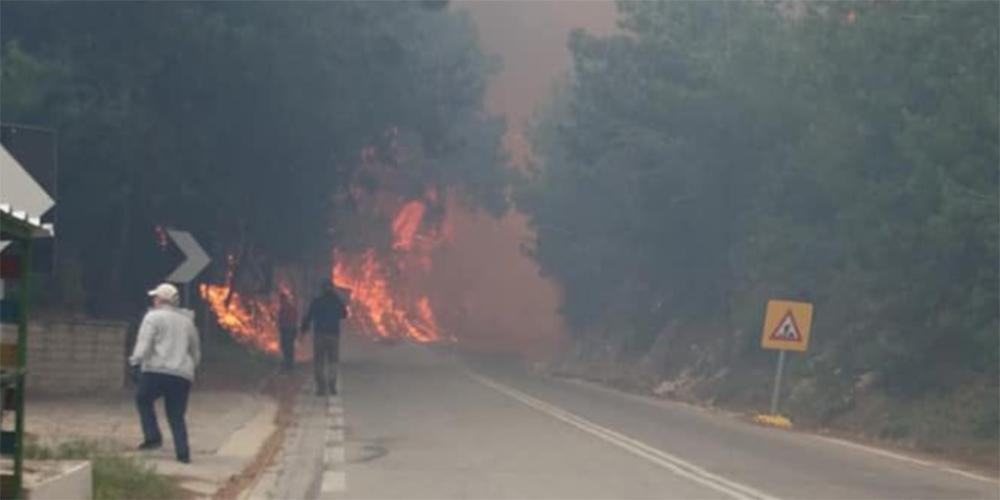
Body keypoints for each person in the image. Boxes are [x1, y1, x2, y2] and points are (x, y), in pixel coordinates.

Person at [129, 283, 201, 463]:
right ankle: (183, 453)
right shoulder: (187, 321)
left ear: (162, 300)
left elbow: (144, 343)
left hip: (156, 370)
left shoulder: (153, 317)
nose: (153, 300)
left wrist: (135, 361)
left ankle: (153, 438)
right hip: (182, 375)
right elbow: (195, 351)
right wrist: (191, 367)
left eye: (155, 297)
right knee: (176, 414)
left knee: (143, 399)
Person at [300, 281, 348, 395]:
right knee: (333, 361)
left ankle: (321, 388)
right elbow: (344, 315)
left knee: (319, 362)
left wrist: (303, 331)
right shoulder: (337, 301)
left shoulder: (317, 301)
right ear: (332, 289)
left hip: (319, 336)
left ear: (322, 289)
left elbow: (309, 317)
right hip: (333, 335)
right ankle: (332, 386)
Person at [277, 292, 299, 372]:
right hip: (286, 330)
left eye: (282, 299)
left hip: (289, 330)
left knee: (288, 347)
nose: (280, 301)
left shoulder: (289, 308)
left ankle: (289, 364)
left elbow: (292, 319)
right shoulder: (283, 308)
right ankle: (288, 363)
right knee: (285, 346)